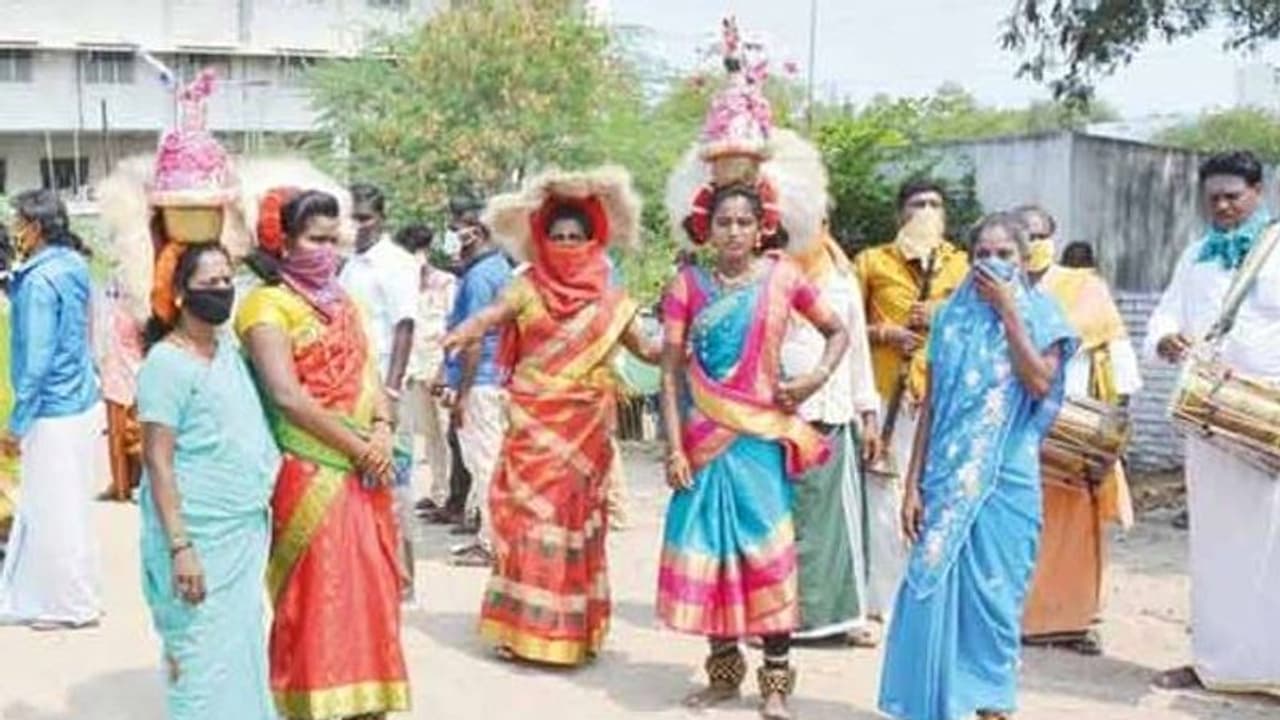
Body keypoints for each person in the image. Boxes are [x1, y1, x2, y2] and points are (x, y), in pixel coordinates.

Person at [444, 167, 659, 665]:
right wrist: (463, 334)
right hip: (532, 429)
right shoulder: (525, 287)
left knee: (574, 525)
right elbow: (491, 316)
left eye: (575, 237)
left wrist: (683, 347)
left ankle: (573, 631)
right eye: (557, 236)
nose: (566, 245)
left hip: (584, 434)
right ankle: (521, 630)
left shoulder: (613, 301)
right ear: (542, 239)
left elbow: (646, 349)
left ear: (593, 240)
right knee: (527, 526)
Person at [659, 184, 850, 720]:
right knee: (712, 551)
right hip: (701, 442)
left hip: (759, 440)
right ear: (706, 226)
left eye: (745, 221)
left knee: (767, 556)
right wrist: (674, 447)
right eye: (724, 222)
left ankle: (776, 685)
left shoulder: (785, 277)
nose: (735, 232)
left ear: (762, 225)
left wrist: (813, 380)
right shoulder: (687, 285)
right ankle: (723, 676)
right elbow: (670, 371)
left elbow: (837, 331)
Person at [878, 211, 1076, 720]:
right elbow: (934, 406)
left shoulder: (1045, 315)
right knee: (927, 586)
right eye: (983, 254)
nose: (992, 263)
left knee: (994, 600)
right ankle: (930, 707)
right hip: (944, 481)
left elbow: (1038, 383)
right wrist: (912, 486)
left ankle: (992, 709)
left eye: (1004, 254)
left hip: (1005, 482)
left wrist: (1010, 310)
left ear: (1023, 257)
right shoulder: (950, 319)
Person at [236, 189, 409, 718]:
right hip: (310, 470)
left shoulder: (343, 301)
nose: (327, 251)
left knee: (370, 587)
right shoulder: (266, 305)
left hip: (364, 469)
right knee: (316, 593)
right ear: (283, 241)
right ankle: (312, 703)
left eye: (334, 241)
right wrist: (359, 447)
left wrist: (380, 427)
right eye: (315, 239)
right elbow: (287, 396)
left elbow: (368, 372)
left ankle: (367, 699)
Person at [1146, 150, 1280, 696]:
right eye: (1213, 199)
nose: (1222, 207)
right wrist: (1166, 338)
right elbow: (1164, 314)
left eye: (1233, 196)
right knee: (1215, 545)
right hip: (1210, 419)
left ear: (1259, 193)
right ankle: (1216, 664)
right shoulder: (1194, 256)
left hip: (1269, 416)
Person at [137, 243, 281, 719]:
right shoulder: (166, 363)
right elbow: (158, 462)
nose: (222, 292)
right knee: (200, 657)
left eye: (227, 282)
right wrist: (182, 547)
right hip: (198, 535)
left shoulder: (228, 353)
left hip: (241, 529)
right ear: (180, 294)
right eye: (210, 284)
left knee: (240, 648)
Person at [1017, 205, 1142, 655]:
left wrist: (1111, 428)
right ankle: (1016, 616)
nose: (1031, 243)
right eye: (1023, 235)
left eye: (1039, 234)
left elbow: (1116, 352)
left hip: (1075, 425)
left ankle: (1070, 618)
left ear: (1053, 236)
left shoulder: (1085, 287)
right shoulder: (999, 289)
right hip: (1016, 426)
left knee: (1073, 525)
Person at [852, 179, 969, 637]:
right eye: (917, 203)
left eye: (935, 204)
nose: (926, 210)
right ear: (900, 213)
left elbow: (986, 321)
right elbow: (840, 325)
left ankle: (931, 601)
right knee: (883, 498)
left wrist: (941, 316)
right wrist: (885, 333)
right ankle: (884, 602)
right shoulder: (871, 262)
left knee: (937, 495)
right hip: (885, 397)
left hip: (944, 398)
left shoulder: (962, 264)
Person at [0, 189, 104, 631]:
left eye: (19, 222)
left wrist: (17, 423)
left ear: (36, 227)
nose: (15, 231)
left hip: (52, 411)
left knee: (53, 511)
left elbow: (37, 360)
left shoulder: (41, 282)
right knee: (68, 507)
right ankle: (72, 594)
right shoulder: (73, 266)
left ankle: (71, 606)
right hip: (78, 403)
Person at [784, 224, 882, 646]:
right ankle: (779, 619)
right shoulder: (769, 274)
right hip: (778, 418)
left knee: (837, 525)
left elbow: (856, 346)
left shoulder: (842, 280)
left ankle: (844, 617)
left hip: (832, 414)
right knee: (785, 524)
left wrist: (869, 412)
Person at [338, 183, 421, 607]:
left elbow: (405, 327)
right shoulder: (348, 262)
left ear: (382, 217)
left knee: (396, 480)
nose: (358, 226)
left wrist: (390, 389)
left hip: (386, 388)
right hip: (351, 386)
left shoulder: (396, 263)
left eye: (365, 217)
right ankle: (371, 572)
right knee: (360, 478)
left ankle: (404, 581)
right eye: (351, 218)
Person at [440, 203, 512, 567]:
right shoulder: (499, 269)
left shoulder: (481, 277)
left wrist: (462, 395)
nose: (452, 237)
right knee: (492, 462)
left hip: (481, 382)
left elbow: (473, 339)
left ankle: (491, 542)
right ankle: (492, 534)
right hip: (496, 377)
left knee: (484, 464)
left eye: (456, 229)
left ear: (476, 231)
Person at [397, 224, 457, 518]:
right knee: (429, 435)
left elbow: (456, 329)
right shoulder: (401, 285)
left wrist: (448, 370)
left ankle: (460, 502)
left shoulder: (445, 283)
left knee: (449, 434)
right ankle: (438, 493)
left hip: (439, 369)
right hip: (413, 370)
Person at [93, 277, 144, 502]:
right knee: (119, 432)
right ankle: (121, 485)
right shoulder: (111, 293)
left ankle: (131, 485)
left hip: (133, 369)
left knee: (135, 432)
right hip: (117, 368)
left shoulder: (138, 297)